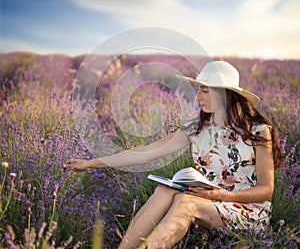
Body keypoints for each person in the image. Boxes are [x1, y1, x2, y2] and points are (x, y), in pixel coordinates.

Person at [64, 60, 283, 249]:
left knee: (186, 202)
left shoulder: (258, 130)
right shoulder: (197, 128)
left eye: (205, 90)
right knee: (164, 189)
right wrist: (90, 163)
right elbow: (144, 153)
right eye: (198, 89)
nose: (198, 96)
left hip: (247, 211)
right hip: (210, 201)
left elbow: (266, 190)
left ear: (226, 94)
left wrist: (220, 195)